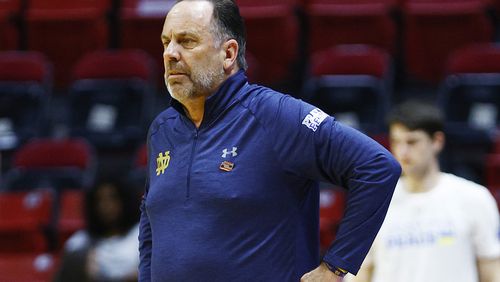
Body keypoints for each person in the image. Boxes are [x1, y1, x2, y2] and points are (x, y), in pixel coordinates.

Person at [139, 0, 401, 281]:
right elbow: (151, 218)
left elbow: (377, 166)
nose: (170, 54)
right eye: (166, 42)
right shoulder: (162, 129)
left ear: (228, 53)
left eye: (186, 41)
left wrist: (335, 267)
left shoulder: (275, 116)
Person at [346, 100, 500, 282]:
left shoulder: (474, 198)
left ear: (437, 141)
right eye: (396, 141)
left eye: (412, 142)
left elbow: (492, 273)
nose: (402, 151)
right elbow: (360, 275)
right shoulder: (372, 202)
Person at [54, 178, 141, 282]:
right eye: (99, 200)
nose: (105, 205)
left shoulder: (141, 236)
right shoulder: (79, 243)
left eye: (112, 198)